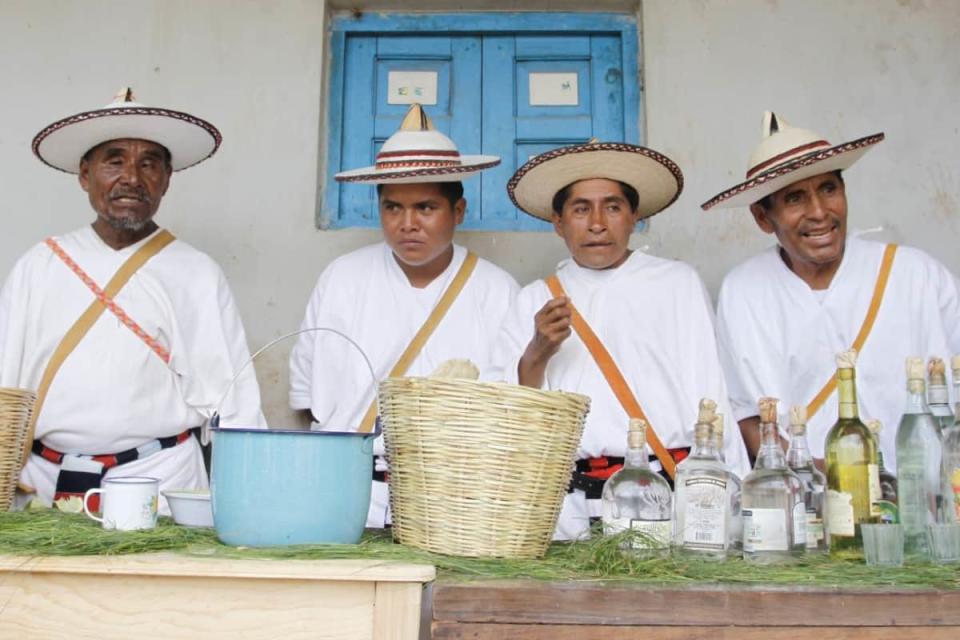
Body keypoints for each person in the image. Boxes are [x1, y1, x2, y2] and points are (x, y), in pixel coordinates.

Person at [1, 88, 264, 514]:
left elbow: (236, 406)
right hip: (45, 486)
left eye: (148, 164)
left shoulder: (197, 273)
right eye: (115, 160)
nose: (132, 178)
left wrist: (250, 506)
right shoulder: (40, 265)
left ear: (167, 178)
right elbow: (5, 382)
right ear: (85, 175)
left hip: (162, 482)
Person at [492, 141, 750, 540]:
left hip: (665, 497)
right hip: (569, 508)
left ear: (635, 218)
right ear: (558, 223)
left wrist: (732, 504)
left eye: (612, 207)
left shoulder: (676, 284)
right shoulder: (534, 299)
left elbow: (711, 394)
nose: (597, 223)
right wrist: (536, 353)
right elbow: (506, 415)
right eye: (580, 209)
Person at [289, 104, 519, 528]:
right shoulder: (342, 278)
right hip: (348, 492)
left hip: (454, 497)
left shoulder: (496, 291)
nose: (407, 223)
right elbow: (305, 398)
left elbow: (511, 408)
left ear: (459, 211)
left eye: (426, 208)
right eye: (393, 207)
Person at [703, 112, 960, 468]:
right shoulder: (744, 291)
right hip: (804, 496)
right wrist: (813, 478)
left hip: (922, 496)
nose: (819, 212)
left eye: (828, 189)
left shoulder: (917, 276)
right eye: (794, 198)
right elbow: (747, 412)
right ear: (763, 218)